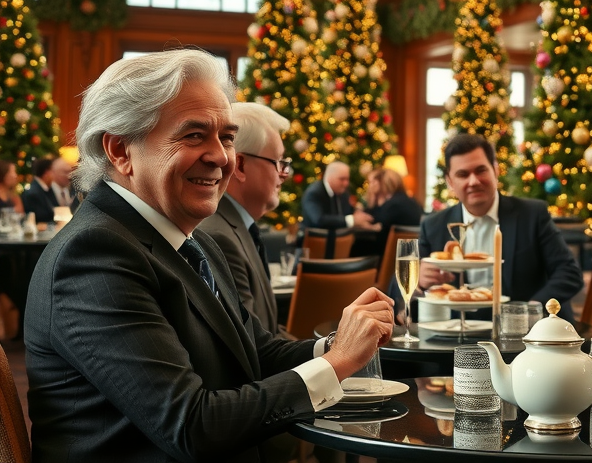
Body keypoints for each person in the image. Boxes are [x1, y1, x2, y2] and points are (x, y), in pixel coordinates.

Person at [24, 50, 395, 462]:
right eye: (194, 135)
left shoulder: (194, 242)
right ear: (120, 150)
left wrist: (337, 345)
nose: (221, 157)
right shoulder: (93, 255)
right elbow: (192, 427)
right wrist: (340, 361)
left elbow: (256, 352)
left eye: (228, 137)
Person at [417, 133, 583, 321]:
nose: (473, 181)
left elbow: (569, 273)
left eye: (481, 170)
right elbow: (397, 292)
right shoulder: (433, 225)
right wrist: (418, 282)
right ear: (450, 182)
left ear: (495, 170)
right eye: (463, 174)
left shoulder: (532, 215)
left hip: (523, 335)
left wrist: (533, 309)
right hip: (456, 335)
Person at [198, 102, 294, 340]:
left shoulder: (238, 226)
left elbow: (268, 332)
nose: (284, 174)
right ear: (240, 165)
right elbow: (254, 344)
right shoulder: (218, 236)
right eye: (279, 162)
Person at [352, 167, 423, 257]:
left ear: (383, 183)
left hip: (384, 257)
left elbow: (372, 220)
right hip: (406, 256)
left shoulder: (393, 205)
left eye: (373, 182)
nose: (370, 186)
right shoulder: (411, 201)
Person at [300, 161, 373, 230]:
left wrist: (357, 213)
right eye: (342, 179)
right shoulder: (314, 193)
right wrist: (352, 220)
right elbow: (319, 220)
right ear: (330, 178)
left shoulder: (343, 192)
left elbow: (347, 212)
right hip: (315, 240)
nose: (346, 183)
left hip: (339, 238)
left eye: (347, 179)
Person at [21, 156, 58, 224]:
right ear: (47, 173)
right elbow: (38, 220)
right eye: (53, 171)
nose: (55, 174)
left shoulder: (47, 189)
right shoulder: (32, 193)